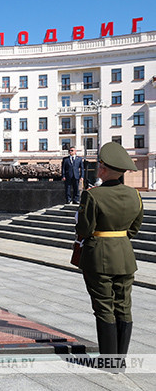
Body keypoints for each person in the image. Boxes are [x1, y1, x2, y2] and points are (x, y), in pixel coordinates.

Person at [75, 142, 143, 368]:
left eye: (100, 165)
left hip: (98, 257)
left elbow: (84, 229)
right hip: (125, 256)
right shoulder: (134, 195)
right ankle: (119, 361)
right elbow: (134, 229)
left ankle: (108, 361)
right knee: (123, 306)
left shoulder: (93, 195)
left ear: (104, 169)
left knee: (104, 307)